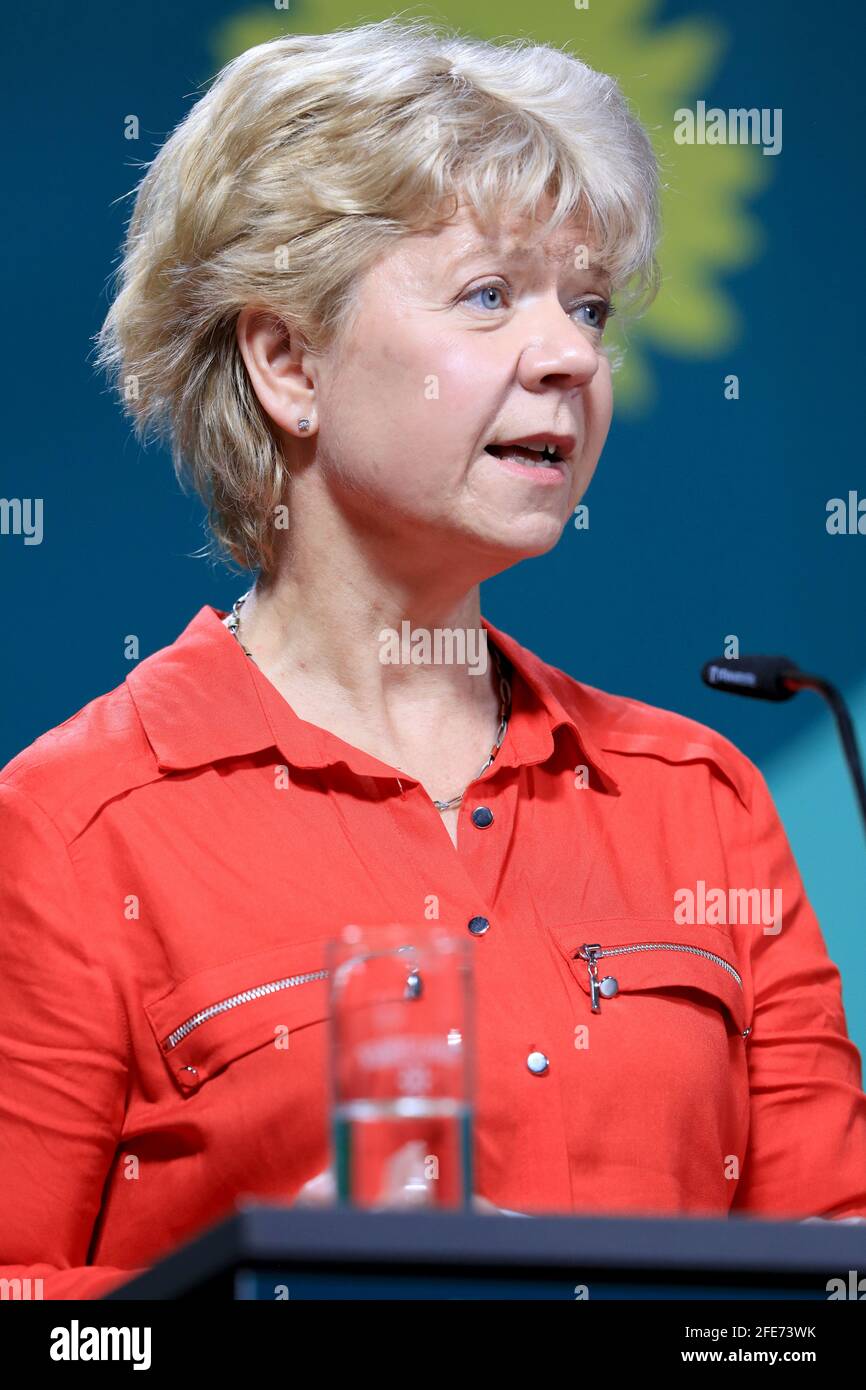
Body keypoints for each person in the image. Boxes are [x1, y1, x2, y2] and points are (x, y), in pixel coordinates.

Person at [2, 17, 865, 1302]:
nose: (571, 353)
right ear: (286, 361)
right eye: (487, 295)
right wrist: (252, 1292)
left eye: (586, 306)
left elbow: (829, 1283)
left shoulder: (704, 802)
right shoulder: (72, 831)